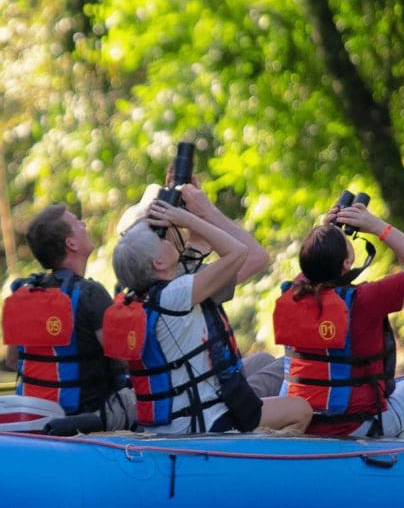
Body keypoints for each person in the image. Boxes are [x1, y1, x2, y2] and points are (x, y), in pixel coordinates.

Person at [110, 183, 312, 435]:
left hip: (177, 416)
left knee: (261, 361)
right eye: (160, 238)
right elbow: (238, 252)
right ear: (158, 263)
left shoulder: (145, 297)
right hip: (204, 420)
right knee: (301, 410)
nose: (167, 237)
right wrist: (188, 218)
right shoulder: (175, 294)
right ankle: (253, 460)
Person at [272, 199, 404, 437]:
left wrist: (323, 232)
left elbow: (314, 268)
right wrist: (378, 226)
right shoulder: (366, 300)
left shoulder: (293, 294)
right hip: (355, 427)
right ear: (347, 263)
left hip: (302, 424)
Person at [4, 204, 135, 431]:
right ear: (71, 244)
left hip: (35, 416)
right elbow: (126, 360)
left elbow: (13, 360)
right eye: (77, 223)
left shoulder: (24, 293)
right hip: (88, 417)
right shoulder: (91, 294)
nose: (84, 225)